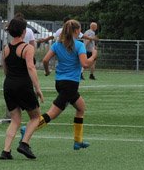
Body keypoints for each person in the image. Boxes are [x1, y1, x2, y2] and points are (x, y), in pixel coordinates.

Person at [34, 19, 97, 150]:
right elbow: (85, 64)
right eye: (79, 29)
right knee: (52, 114)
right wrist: (93, 56)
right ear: (76, 31)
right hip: (70, 84)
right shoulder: (79, 45)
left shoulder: (57, 44)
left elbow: (45, 60)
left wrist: (47, 71)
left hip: (60, 82)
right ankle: (29, 128)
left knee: (81, 108)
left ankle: (78, 141)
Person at [0, 16, 44, 160]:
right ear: (24, 31)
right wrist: (37, 88)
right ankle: (24, 143)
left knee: (15, 120)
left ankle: (6, 151)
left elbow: (5, 68)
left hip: (8, 85)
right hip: (23, 85)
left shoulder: (6, 48)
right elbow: (31, 67)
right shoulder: (27, 48)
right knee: (36, 117)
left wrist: (11, 80)